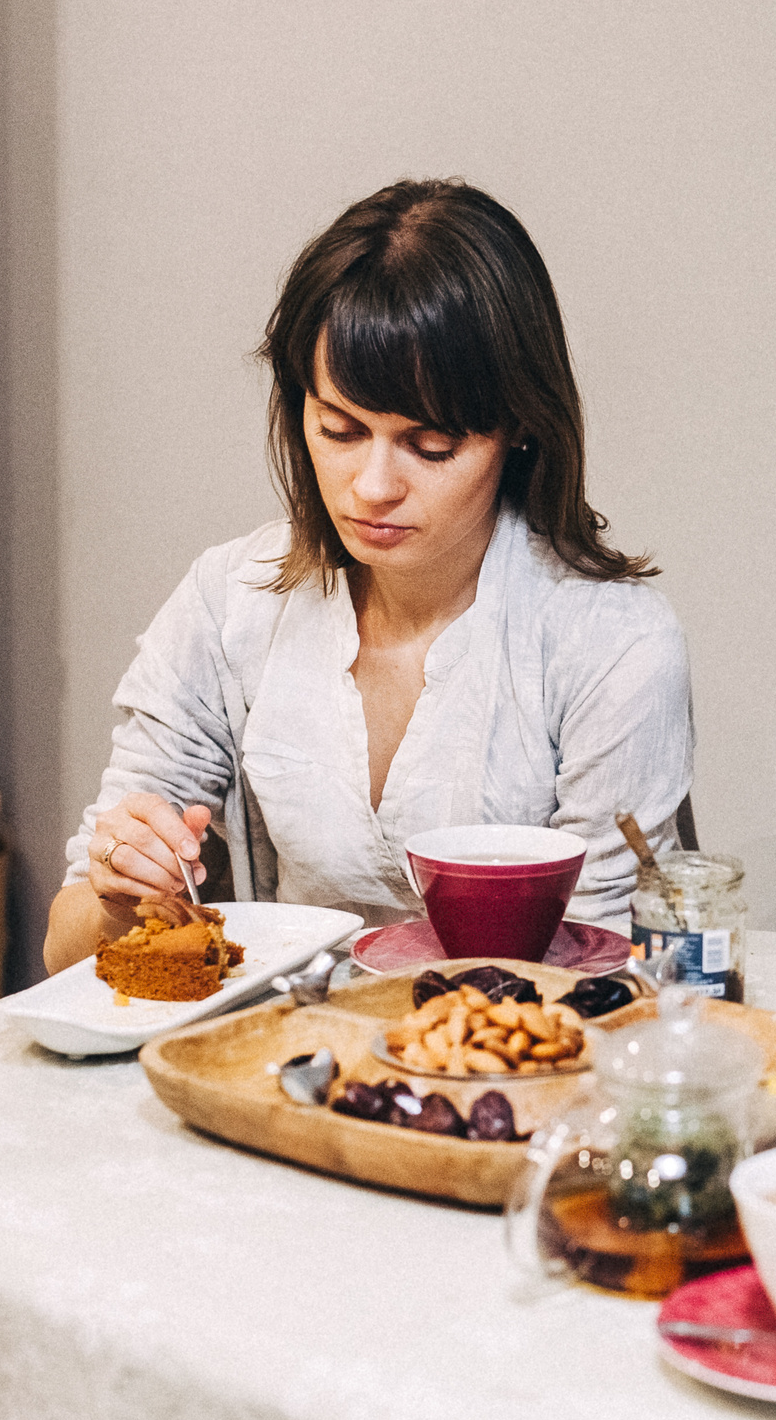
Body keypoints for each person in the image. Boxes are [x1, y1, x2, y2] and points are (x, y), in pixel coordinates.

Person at [44, 180, 692, 973]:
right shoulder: (233, 603)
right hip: (296, 1068)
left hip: (522, 1070)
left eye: (430, 445)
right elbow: (65, 944)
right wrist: (119, 892)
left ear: (519, 425)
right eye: (340, 429)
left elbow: (610, 975)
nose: (373, 485)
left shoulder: (609, 642)